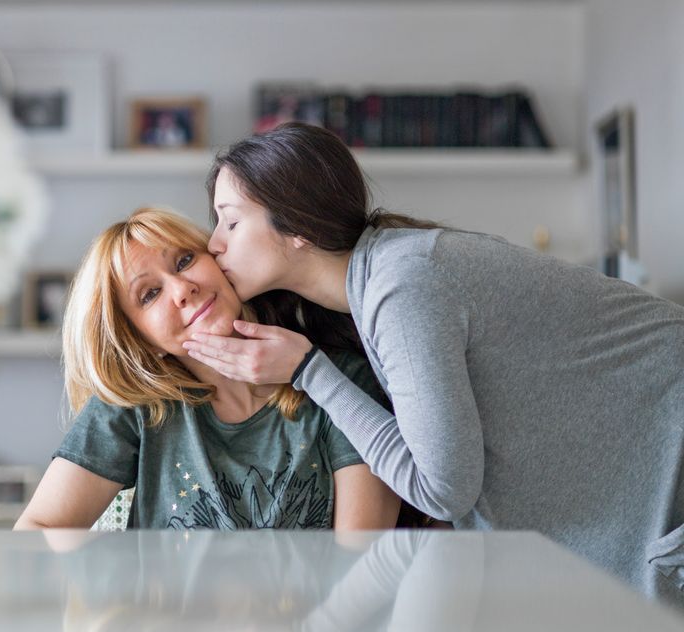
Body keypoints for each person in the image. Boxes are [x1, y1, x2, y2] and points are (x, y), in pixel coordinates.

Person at [182, 121, 684, 601]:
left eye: (231, 220)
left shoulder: (403, 286)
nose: (214, 243)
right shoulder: (380, 282)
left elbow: (442, 491)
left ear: (299, 228)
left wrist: (307, 372)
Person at [14, 207, 401, 531]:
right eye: (150, 294)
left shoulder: (340, 381)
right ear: (141, 340)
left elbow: (362, 559)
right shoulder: (135, 409)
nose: (182, 289)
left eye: (184, 261)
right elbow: (37, 531)